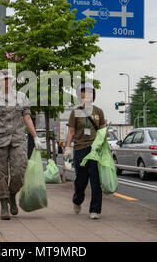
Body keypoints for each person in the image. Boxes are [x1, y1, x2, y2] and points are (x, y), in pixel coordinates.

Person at [0, 69, 42, 220]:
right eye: (4, 79)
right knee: (0, 174)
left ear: (13, 80)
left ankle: (12, 194)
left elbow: (27, 118)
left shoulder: (21, 97)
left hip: (17, 140)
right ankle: (4, 205)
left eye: (9, 78)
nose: (7, 81)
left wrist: (35, 137)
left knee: (19, 172)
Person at [64, 82, 107, 220]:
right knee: (81, 181)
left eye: (89, 92)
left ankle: (95, 209)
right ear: (79, 95)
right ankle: (77, 199)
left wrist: (104, 146)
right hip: (80, 149)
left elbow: (102, 130)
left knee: (95, 181)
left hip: (95, 150)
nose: (86, 94)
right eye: (83, 92)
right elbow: (70, 131)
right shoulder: (75, 112)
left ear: (93, 95)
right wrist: (68, 147)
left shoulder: (98, 111)